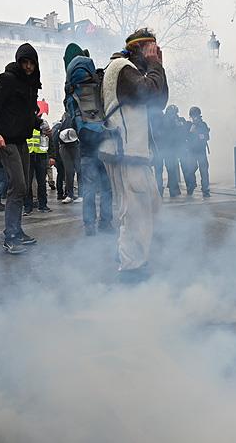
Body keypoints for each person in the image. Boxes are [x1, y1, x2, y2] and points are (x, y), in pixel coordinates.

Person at [100, 28, 169, 282]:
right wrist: (154, 66)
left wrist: (158, 67)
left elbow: (158, 101)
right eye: (150, 49)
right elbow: (149, 93)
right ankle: (131, 269)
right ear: (139, 48)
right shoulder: (121, 67)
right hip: (126, 152)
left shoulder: (131, 70)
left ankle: (130, 256)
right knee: (135, 211)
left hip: (132, 152)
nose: (153, 53)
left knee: (148, 205)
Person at [0, 43, 47, 254]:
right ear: (19, 62)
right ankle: (10, 235)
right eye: (25, 62)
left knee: (23, 186)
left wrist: (40, 124)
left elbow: (25, 114)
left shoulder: (30, 85)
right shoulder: (7, 79)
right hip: (5, 140)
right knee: (17, 185)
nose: (28, 67)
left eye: (32, 63)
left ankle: (17, 231)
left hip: (21, 141)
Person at [63, 43, 114, 236]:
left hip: (85, 146)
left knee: (89, 189)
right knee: (107, 187)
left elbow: (70, 115)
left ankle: (89, 226)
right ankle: (106, 223)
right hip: (103, 140)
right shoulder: (97, 84)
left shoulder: (70, 91)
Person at [156, 105, 184, 197]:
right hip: (169, 149)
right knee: (171, 170)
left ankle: (159, 191)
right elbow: (177, 135)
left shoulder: (161, 119)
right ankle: (173, 190)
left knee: (159, 171)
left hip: (160, 149)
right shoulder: (173, 121)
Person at [24, 124, 52, 214]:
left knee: (42, 182)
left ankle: (43, 205)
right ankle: (28, 207)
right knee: (27, 182)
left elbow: (49, 139)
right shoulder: (24, 123)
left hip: (41, 155)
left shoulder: (42, 124)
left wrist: (52, 156)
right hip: (28, 155)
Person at [186, 106, 211, 198]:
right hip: (192, 152)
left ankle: (205, 190)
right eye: (192, 116)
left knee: (204, 171)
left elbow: (207, 137)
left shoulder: (203, 125)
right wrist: (190, 132)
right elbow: (186, 138)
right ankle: (191, 186)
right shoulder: (189, 125)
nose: (193, 118)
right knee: (190, 170)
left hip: (201, 152)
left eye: (194, 116)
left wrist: (200, 135)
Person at [57, 116, 82, 204]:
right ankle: (70, 194)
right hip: (65, 148)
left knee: (80, 170)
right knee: (68, 171)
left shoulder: (77, 119)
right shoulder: (64, 125)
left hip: (76, 146)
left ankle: (81, 194)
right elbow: (57, 141)